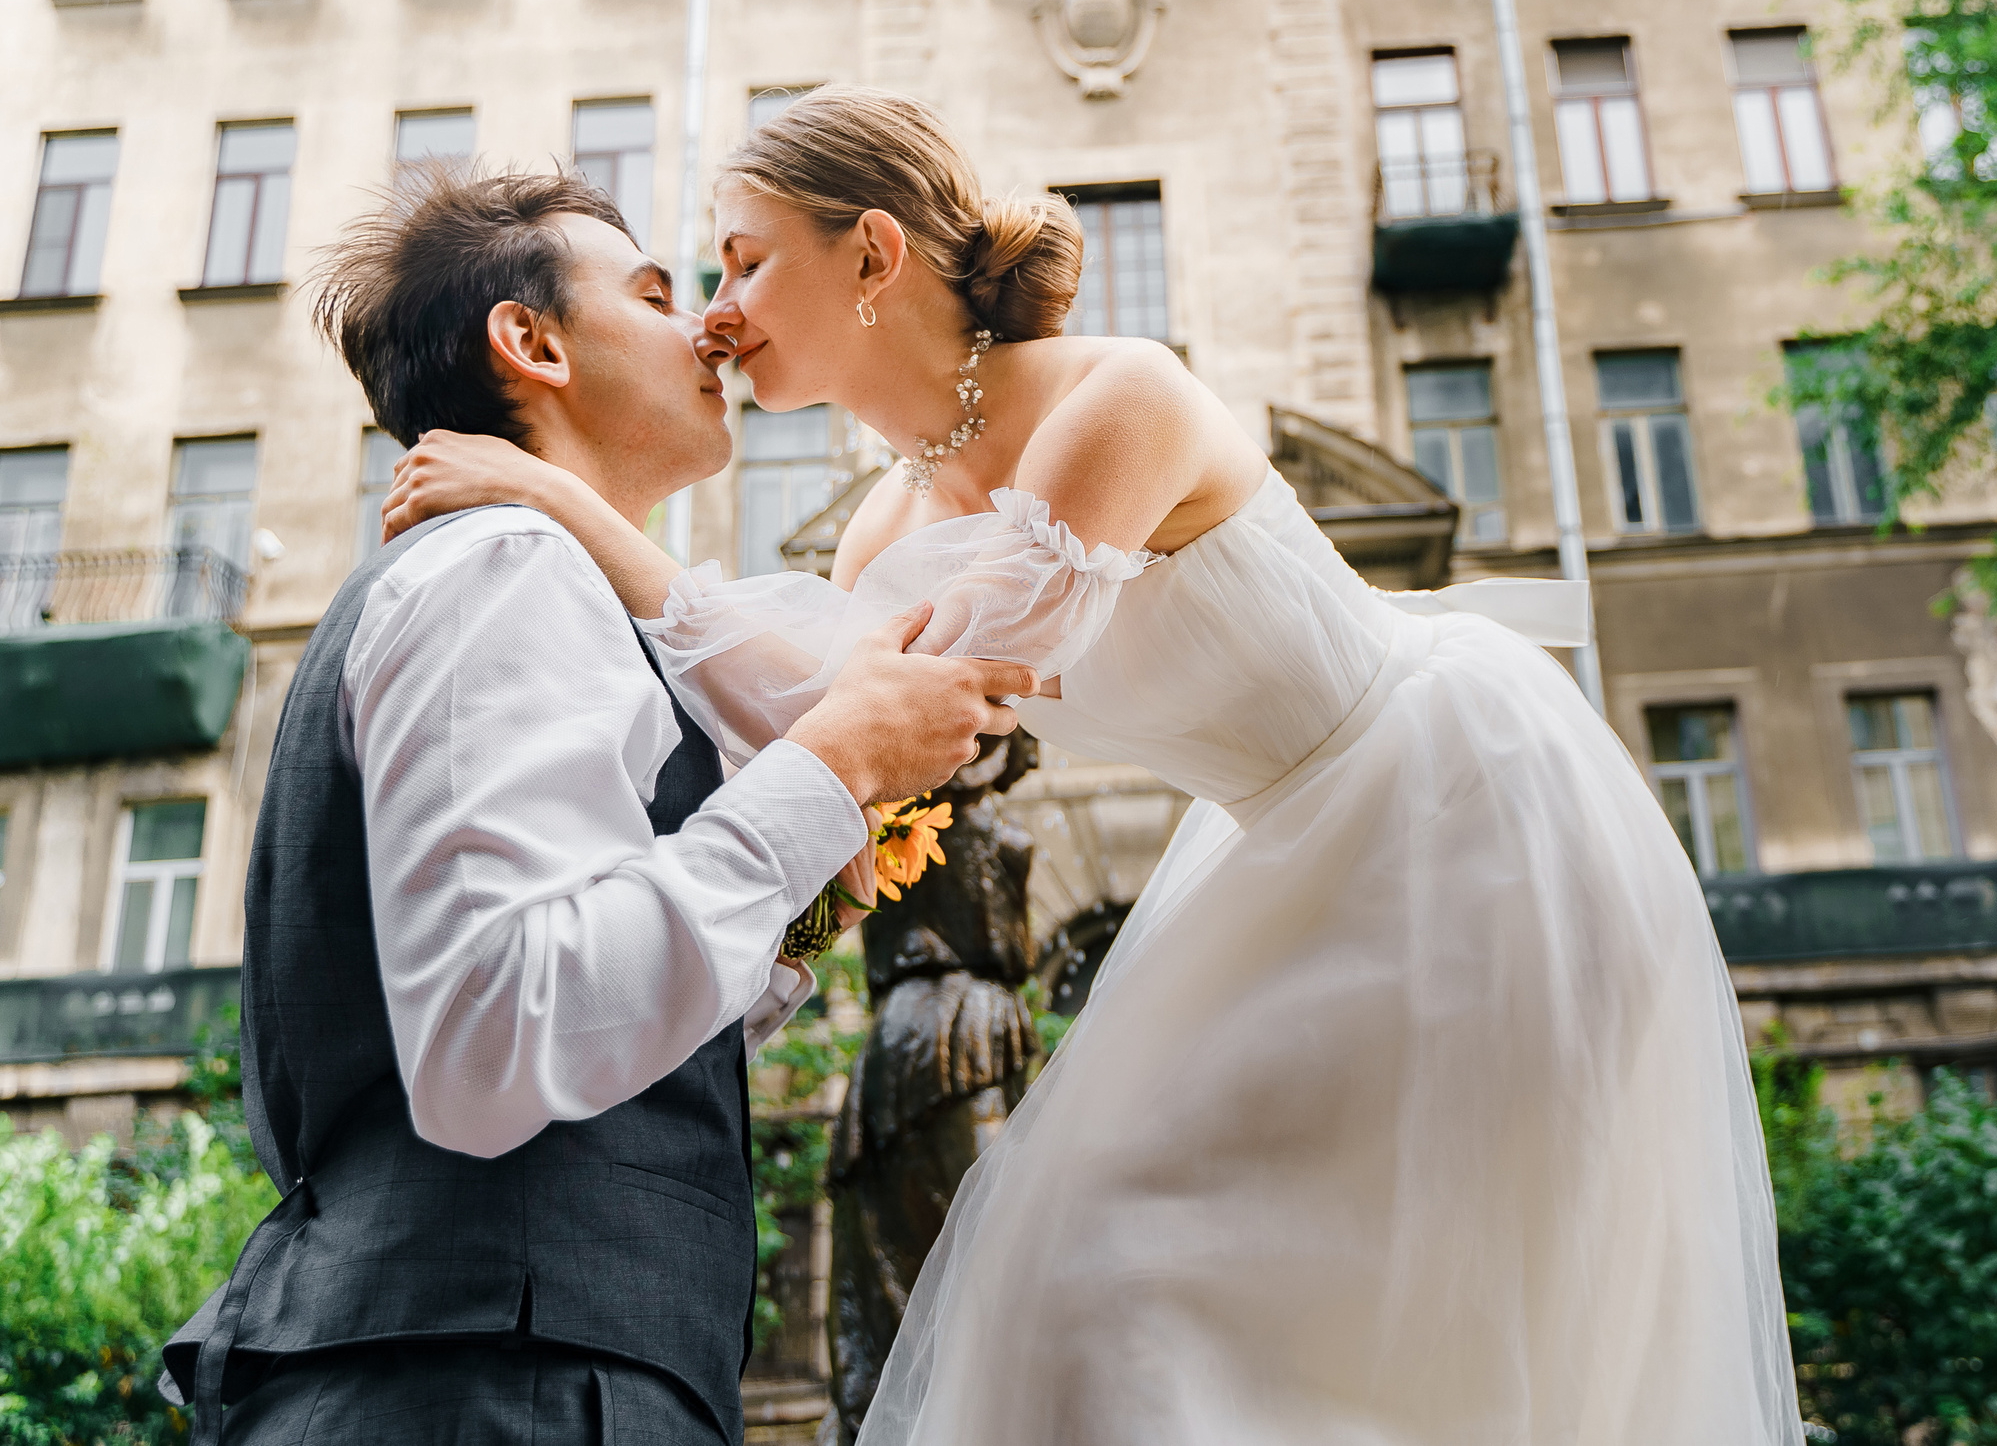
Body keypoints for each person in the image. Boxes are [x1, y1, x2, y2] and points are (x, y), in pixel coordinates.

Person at [384, 88, 1802, 1443]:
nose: (716, 311)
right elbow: (880, 757)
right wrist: (774, 953)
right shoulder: (878, 535)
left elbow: (953, 678)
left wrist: (574, 508)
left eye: (746, 262)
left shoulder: (1123, 395)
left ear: (870, 251)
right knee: (1084, 1280)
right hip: (1282, 866)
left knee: (1404, 1317)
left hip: (1461, 820)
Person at [159, 163, 1038, 1446]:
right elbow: (498, 1033)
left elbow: (588, 1040)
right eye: (656, 292)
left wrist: (798, 911)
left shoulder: (535, 581)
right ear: (530, 342)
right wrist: (831, 767)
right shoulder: (506, 566)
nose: (713, 329)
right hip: (496, 1389)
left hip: (512, 1370)